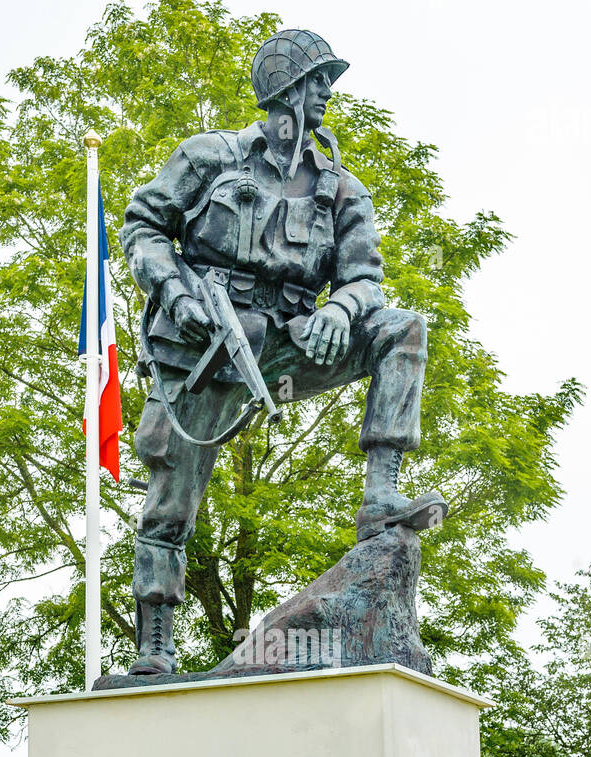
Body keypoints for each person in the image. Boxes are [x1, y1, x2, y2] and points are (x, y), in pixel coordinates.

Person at [120, 28, 447, 674]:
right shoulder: (209, 156)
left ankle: (382, 493)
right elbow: (143, 226)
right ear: (283, 90)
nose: (326, 93)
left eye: (327, 81)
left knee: (399, 328)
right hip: (203, 347)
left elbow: (365, 278)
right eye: (315, 80)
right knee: (169, 507)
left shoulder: (341, 189)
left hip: (286, 346)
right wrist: (179, 296)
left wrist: (342, 309)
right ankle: (155, 641)